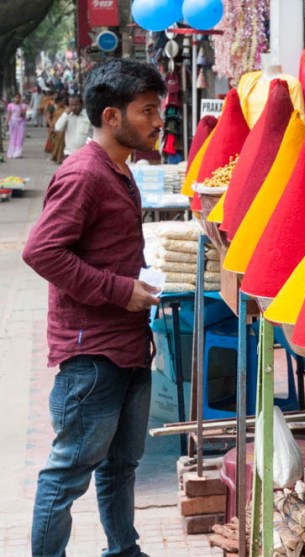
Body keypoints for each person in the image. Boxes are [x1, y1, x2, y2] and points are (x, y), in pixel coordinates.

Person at [22, 57, 165, 557]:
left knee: (121, 465)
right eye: (147, 110)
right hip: (92, 354)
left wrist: (135, 284)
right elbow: (41, 251)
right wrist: (119, 290)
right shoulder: (84, 173)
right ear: (111, 116)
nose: (157, 120)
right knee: (66, 475)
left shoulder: (118, 168)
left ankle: (123, 550)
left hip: (126, 345)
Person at [53, 94, 92, 161]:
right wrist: (65, 114)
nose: (73, 107)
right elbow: (57, 128)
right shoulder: (67, 116)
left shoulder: (88, 116)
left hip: (85, 155)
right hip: (69, 154)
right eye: (71, 105)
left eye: (76, 105)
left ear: (81, 104)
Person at [6, 93, 28, 159]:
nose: (17, 99)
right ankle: (12, 153)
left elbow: (23, 115)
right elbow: (9, 115)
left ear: (20, 98)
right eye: (16, 97)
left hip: (21, 123)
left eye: (18, 98)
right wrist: (7, 122)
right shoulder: (10, 105)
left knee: (20, 138)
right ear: (14, 98)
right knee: (13, 138)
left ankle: (18, 153)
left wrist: (20, 106)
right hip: (13, 123)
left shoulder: (24, 106)